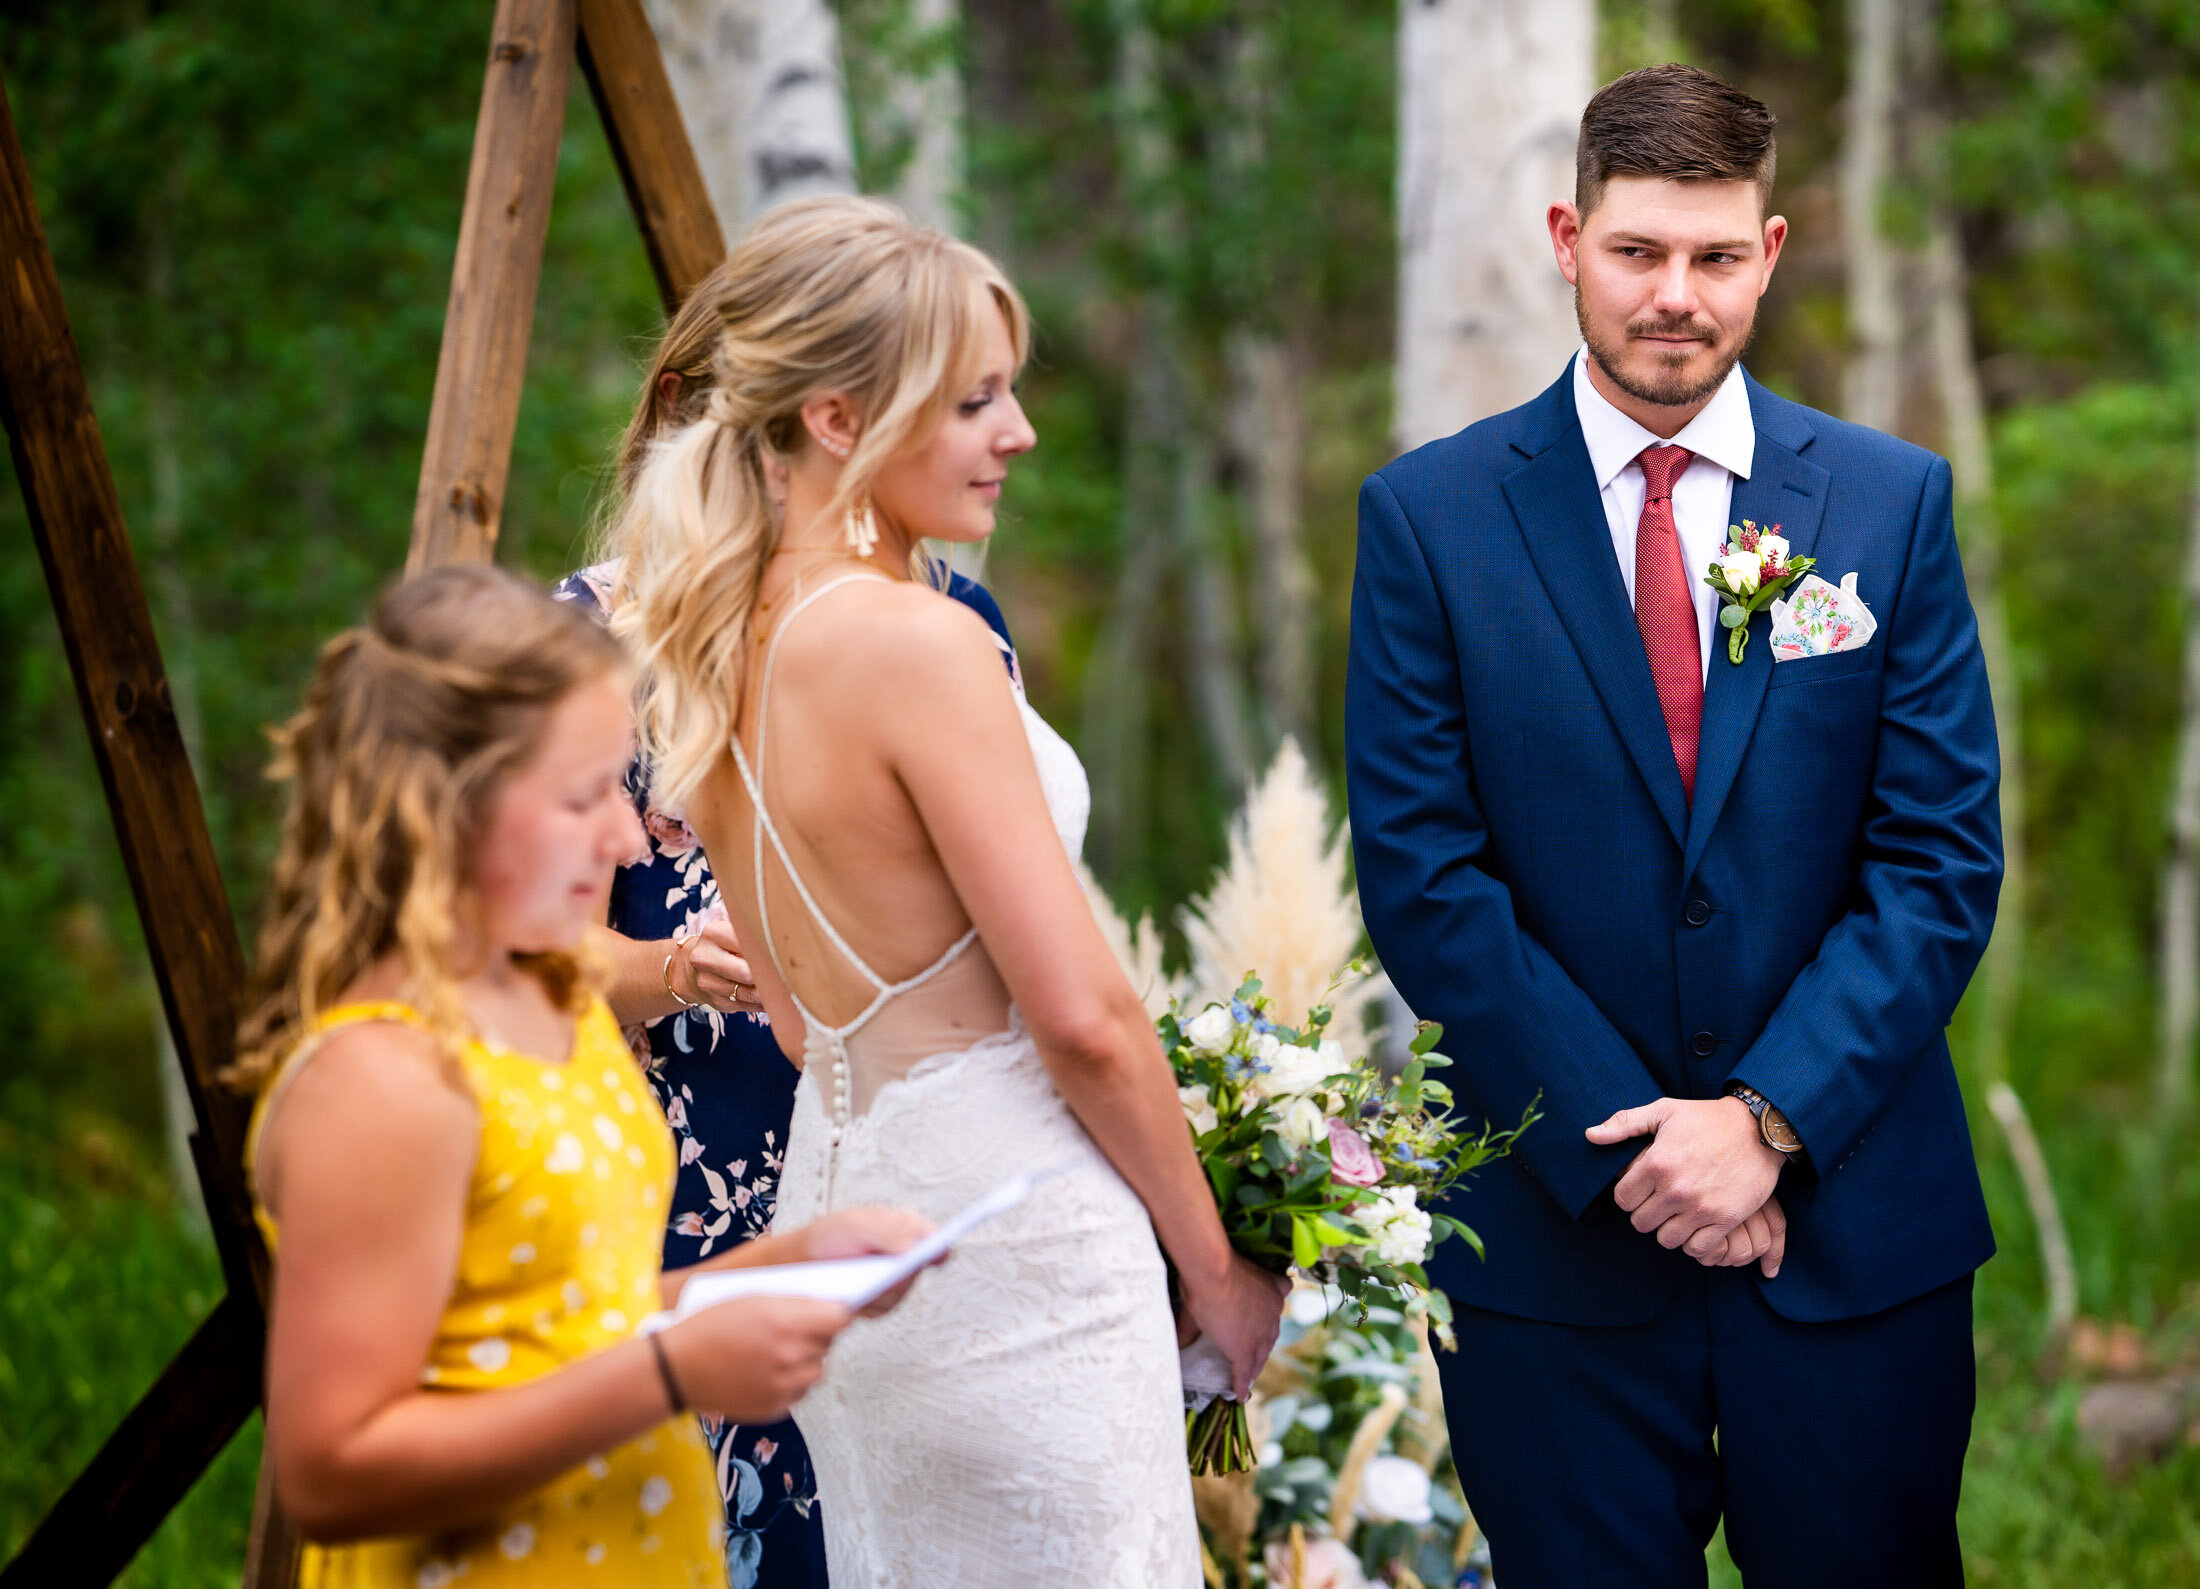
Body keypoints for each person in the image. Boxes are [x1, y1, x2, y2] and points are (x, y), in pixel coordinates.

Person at [1346, 65, 1999, 1588]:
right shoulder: (1429, 520)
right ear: (1569, 238)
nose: (1675, 298)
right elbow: (1429, 881)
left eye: (1715, 258)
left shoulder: (1889, 505)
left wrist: (1766, 1121)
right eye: (1639, 252)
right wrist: (1650, 1156)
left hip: (1851, 1241)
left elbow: (1939, 861)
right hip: (1559, 1251)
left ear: (1769, 254)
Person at [609, 194, 1289, 1586]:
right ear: (840, 419)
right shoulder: (918, 646)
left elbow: (806, 1027)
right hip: (1014, 1230)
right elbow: (1084, 1015)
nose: (1020, 432)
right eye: (975, 399)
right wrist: (1216, 1273)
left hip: (849, 1202)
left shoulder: (718, 638)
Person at [230, 564, 930, 1589]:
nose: (621, 835)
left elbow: (575, 1317)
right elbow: (333, 1470)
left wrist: (787, 1266)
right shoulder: (379, 1077)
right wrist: (670, 1373)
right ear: (444, 808)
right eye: (579, 794)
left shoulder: (559, 1000)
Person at [554, 262, 1023, 1589]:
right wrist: (663, 965)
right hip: (707, 1201)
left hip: (918, 1181)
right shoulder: (598, 637)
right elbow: (519, 959)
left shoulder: (956, 623)